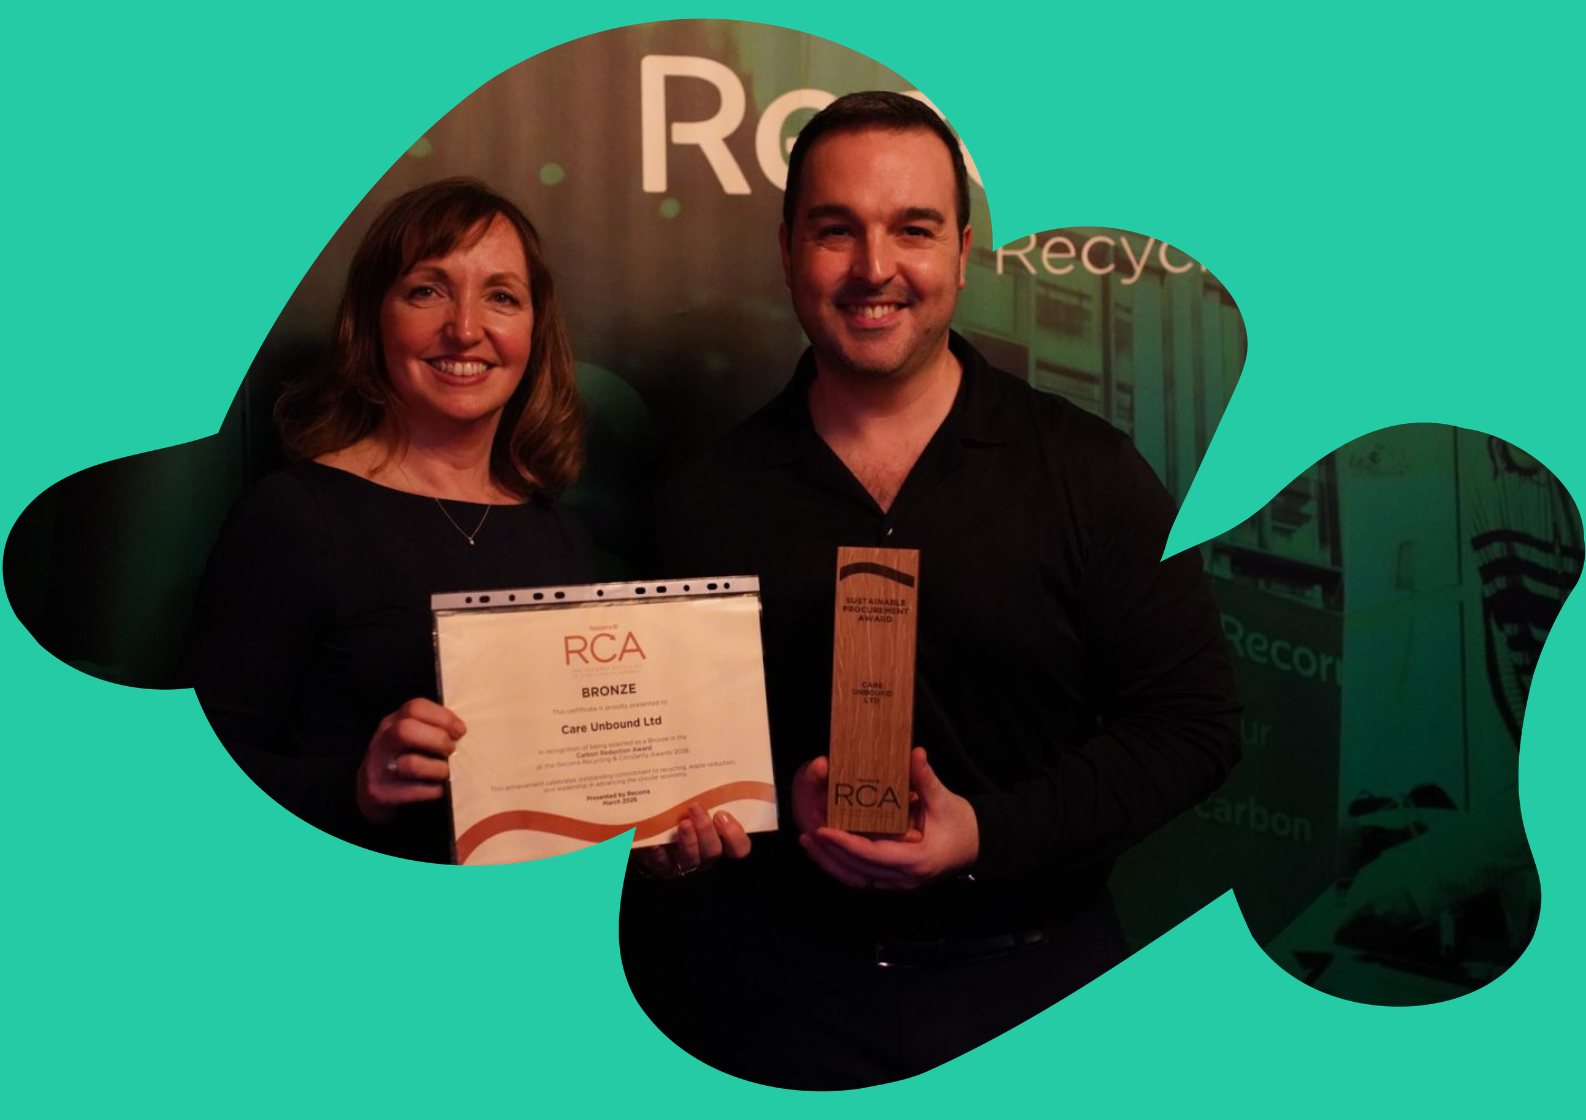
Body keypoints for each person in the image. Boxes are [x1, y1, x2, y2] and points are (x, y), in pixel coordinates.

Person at [626, 93, 1242, 1087]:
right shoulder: (703, 501)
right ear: (787, 250)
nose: (875, 268)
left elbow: (1192, 728)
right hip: (771, 1007)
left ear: (962, 251)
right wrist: (673, 832)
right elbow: (663, 779)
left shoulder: (1089, 472)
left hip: (1041, 995)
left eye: (911, 229)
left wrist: (982, 834)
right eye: (836, 231)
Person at [189, 178, 741, 868]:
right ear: (373, 317)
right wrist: (355, 787)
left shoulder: (559, 536)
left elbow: (557, 804)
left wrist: (643, 840)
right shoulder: (295, 517)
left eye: (501, 297)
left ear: (534, 333)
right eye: (428, 290)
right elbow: (194, 781)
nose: (466, 328)